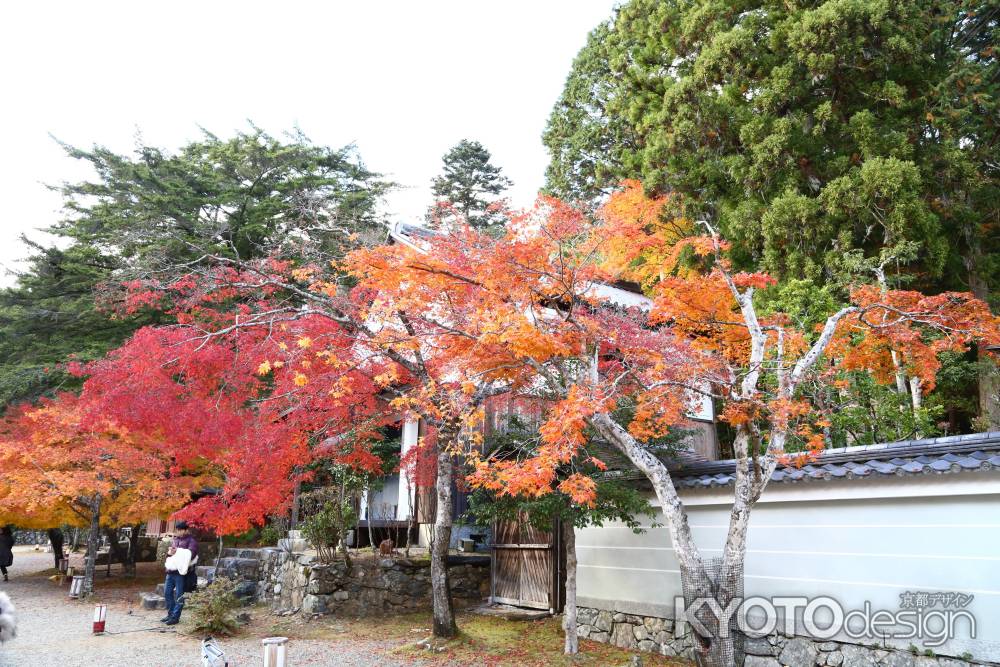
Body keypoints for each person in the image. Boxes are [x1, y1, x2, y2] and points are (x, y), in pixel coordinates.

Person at [161, 521, 198, 626]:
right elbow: (171, 555)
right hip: (171, 570)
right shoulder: (175, 540)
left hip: (181, 572)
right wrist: (171, 553)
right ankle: (170, 614)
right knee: (167, 593)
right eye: (177, 530)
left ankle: (175, 617)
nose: (178, 532)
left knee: (179, 595)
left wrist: (177, 551)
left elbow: (191, 554)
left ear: (186, 530)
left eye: (180, 530)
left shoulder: (192, 541)